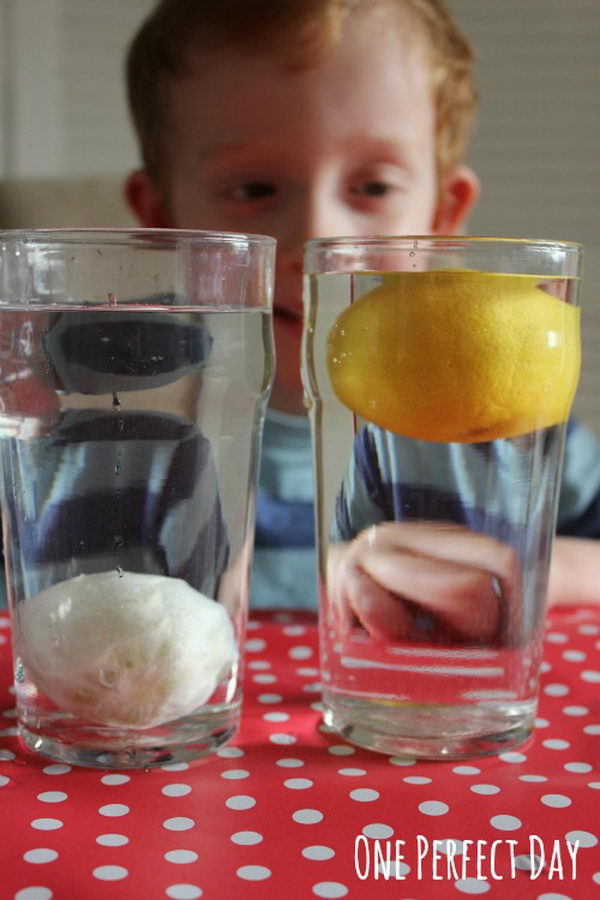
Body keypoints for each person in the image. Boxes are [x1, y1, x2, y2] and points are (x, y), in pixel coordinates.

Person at [123, 0, 600, 614]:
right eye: (254, 189)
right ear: (163, 222)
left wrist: (540, 569)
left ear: (442, 217)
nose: (320, 242)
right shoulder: (89, 397)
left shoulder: (510, 422)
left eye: (373, 188)